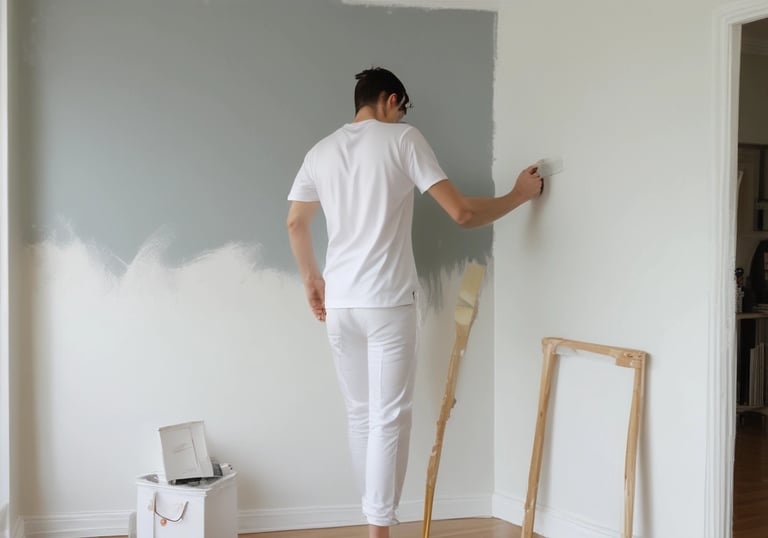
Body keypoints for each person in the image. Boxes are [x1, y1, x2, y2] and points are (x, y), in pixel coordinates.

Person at [286, 67, 542, 538]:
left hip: (340, 307)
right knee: (388, 419)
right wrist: (517, 196)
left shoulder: (320, 152)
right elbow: (462, 213)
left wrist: (311, 281)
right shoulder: (402, 139)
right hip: (386, 303)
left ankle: (372, 523)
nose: (401, 115)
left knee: (361, 416)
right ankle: (378, 532)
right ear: (392, 100)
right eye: (402, 107)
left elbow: (296, 224)